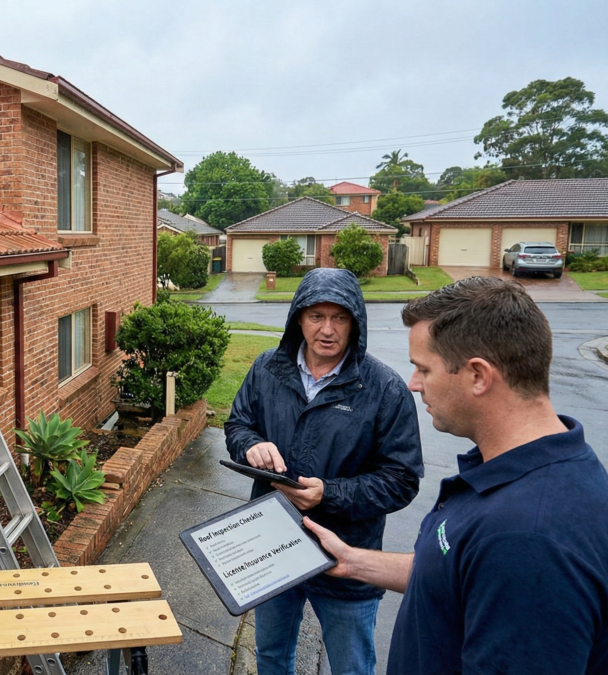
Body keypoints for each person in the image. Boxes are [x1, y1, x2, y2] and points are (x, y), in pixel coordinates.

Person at [304, 276, 608, 675]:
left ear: (478, 376)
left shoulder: (526, 539)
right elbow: (457, 572)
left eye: (423, 369)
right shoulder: (519, 470)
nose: (413, 385)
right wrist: (354, 561)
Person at [225, 267, 423, 675]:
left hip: (346, 556)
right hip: (274, 542)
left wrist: (328, 494)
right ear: (299, 317)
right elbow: (237, 424)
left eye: (340, 317)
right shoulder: (267, 368)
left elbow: (401, 480)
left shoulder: (384, 389)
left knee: (351, 667)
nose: (327, 329)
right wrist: (250, 445)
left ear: (356, 322)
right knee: (271, 655)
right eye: (317, 316)